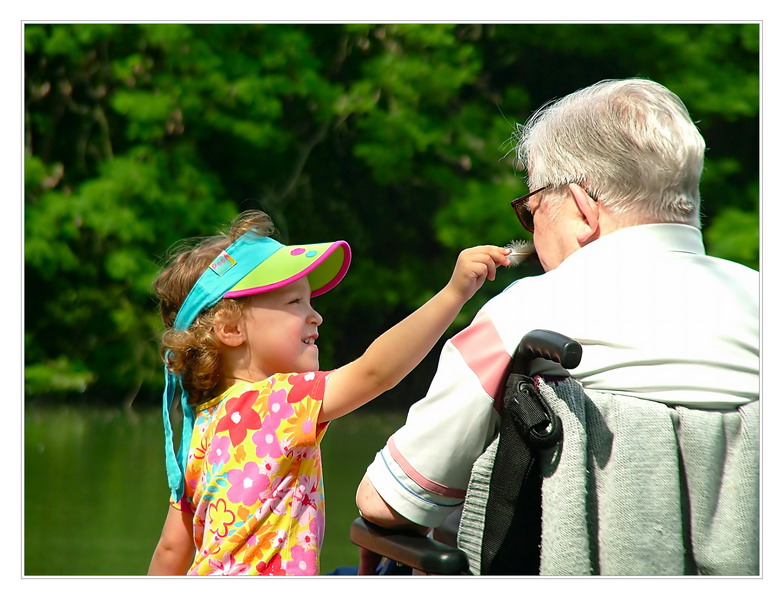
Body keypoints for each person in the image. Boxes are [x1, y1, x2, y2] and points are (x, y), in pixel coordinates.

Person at [355, 78, 760, 559]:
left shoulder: (522, 318)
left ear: (584, 210)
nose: (529, 229)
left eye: (530, 209)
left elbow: (390, 501)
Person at [146, 209, 511, 575]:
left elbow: (171, 549)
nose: (315, 316)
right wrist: (454, 294)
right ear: (229, 329)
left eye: (310, 302)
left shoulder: (201, 427)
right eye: (294, 303)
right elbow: (376, 372)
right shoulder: (280, 401)